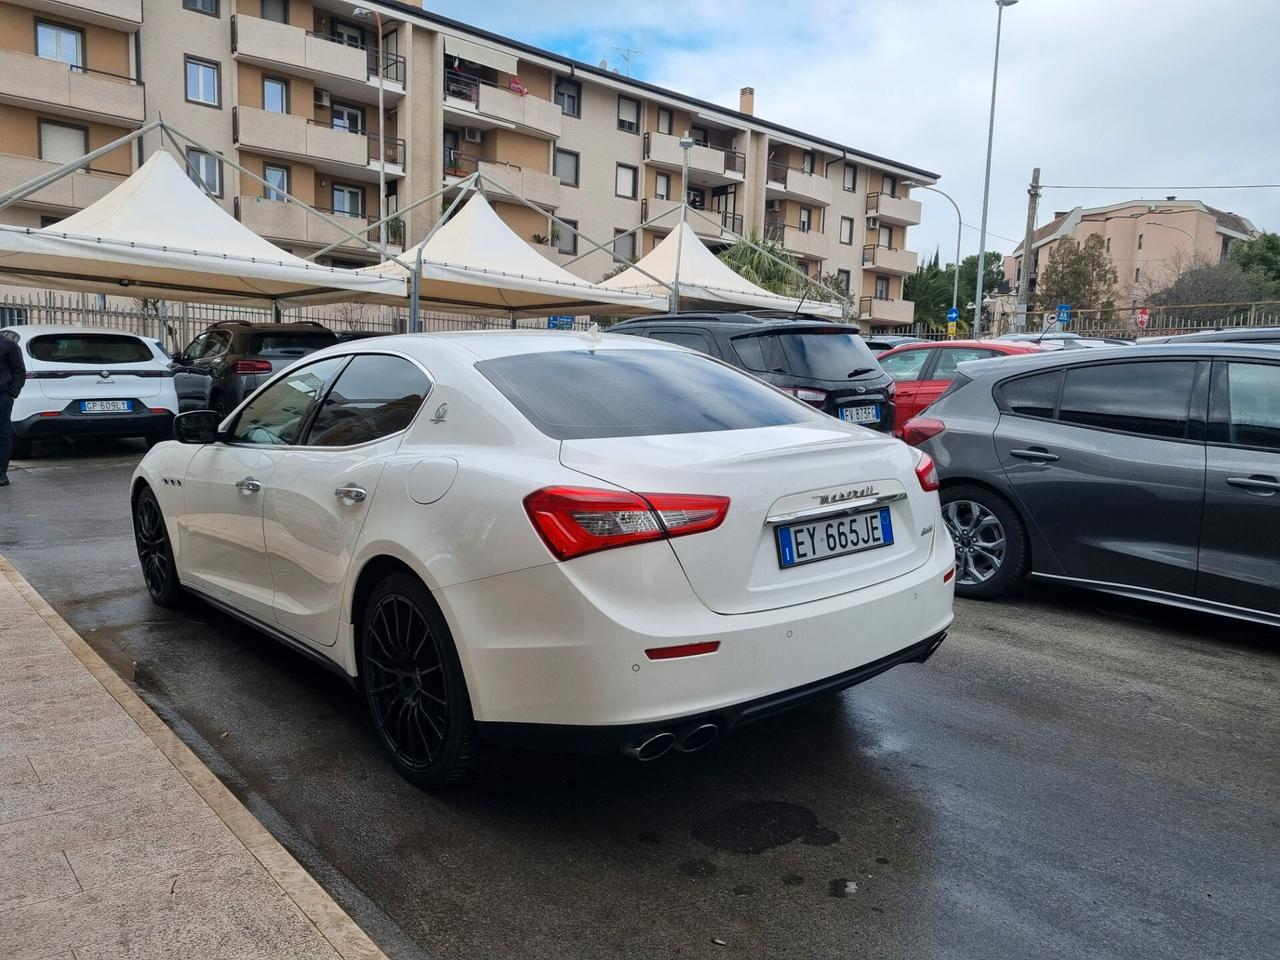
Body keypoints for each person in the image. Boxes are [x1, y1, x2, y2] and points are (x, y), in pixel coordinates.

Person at [0, 331, 26, 485]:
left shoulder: (9, 345)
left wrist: (11, 393)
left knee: (2, 434)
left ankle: (1, 474)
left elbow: (19, 371)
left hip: (2, 396)